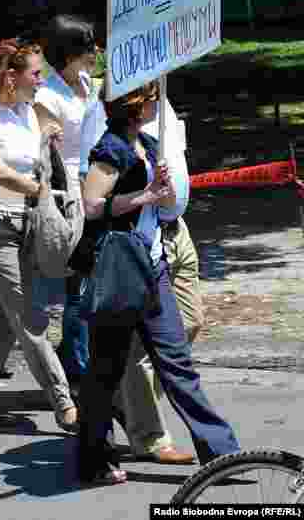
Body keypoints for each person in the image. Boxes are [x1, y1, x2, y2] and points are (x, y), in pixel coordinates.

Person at [77, 81, 240, 484]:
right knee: (106, 371)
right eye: (151, 98)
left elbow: (156, 201)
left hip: (153, 268)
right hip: (119, 273)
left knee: (177, 362)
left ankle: (222, 454)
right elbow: (92, 205)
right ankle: (93, 459)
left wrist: (162, 193)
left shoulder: (146, 143)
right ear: (134, 105)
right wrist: (145, 196)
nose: (156, 103)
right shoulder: (110, 148)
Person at [0, 38, 78, 432]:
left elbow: (44, 132)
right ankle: (64, 402)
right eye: (34, 72)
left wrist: (50, 133)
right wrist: (38, 189)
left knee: (3, 314)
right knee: (29, 315)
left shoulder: (28, 110)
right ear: (11, 75)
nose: (41, 78)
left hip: (27, 220)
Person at [32, 15, 98, 387]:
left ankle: (69, 355)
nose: (94, 54)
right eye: (87, 48)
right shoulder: (48, 96)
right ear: (67, 53)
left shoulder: (89, 83)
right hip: (70, 197)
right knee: (80, 284)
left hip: (98, 188)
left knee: (92, 281)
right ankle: (77, 367)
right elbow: (46, 152)